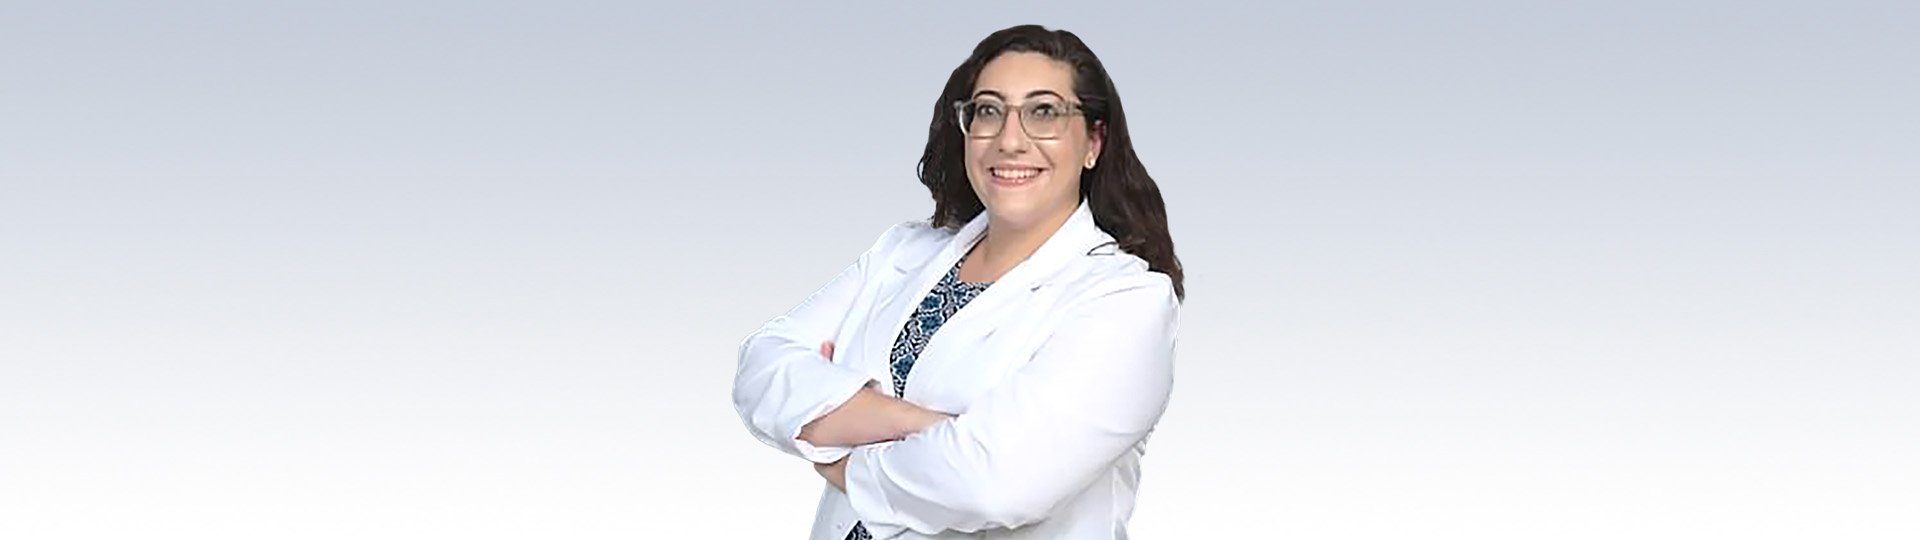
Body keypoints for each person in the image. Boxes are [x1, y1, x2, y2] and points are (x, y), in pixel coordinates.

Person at [732, 24, 1185, 539]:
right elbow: (761, 367)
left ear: (1094, 143)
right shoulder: (901, 253)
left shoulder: (1127, 301)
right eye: (988, 111)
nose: (1011, 140)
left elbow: (996, 482)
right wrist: (925, 428)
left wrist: (846, 455)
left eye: (1044, 112)